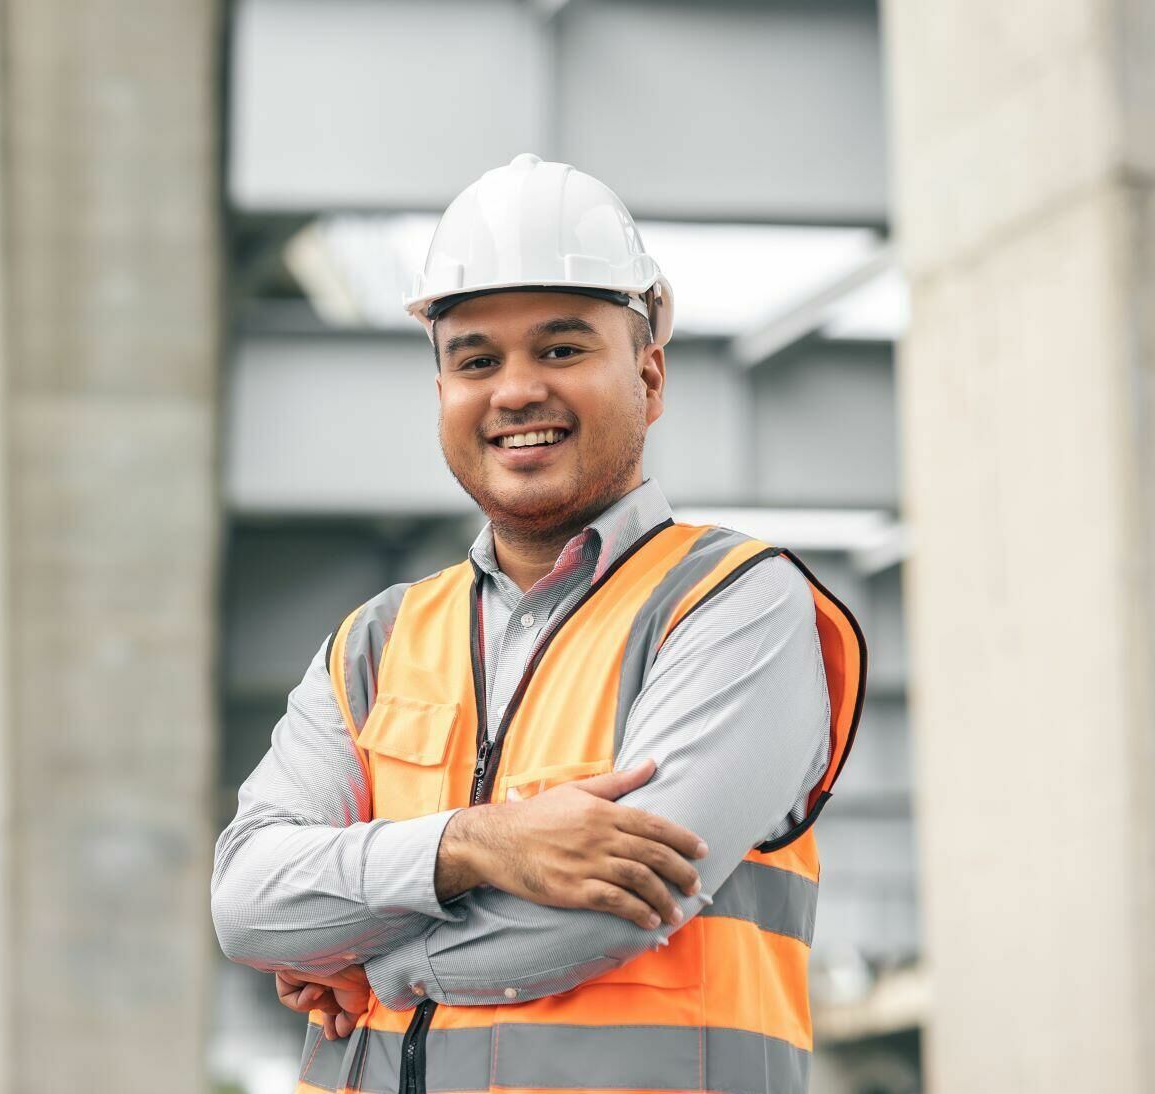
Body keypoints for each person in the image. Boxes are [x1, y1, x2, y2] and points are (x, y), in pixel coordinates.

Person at [209, 153, 866, 1094]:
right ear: (442, 391)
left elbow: (608, 912)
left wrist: (367, 963)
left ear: (649, 374)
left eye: (561, 350)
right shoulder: (375, 643)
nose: (515, 390)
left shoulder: (731, 602)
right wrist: (477, 845)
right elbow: (247, 905)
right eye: (476, 359)